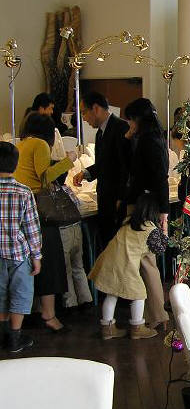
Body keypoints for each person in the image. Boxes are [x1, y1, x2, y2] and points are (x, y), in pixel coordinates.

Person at [15, 114, 75, 332]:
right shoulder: (39, 144)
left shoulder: (20, 145)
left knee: (26, 264)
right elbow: (45, 177)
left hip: (20, 210)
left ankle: (29, 312)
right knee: (49, 261)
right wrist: (68, 160)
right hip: (39, 209)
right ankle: (49, 315)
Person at [89, 193, 167, 340]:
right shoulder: (150, 229)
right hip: (125, 265)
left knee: (111, 293)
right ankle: (138, 327)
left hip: (108, 262)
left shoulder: (128, 222)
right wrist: (165, 231)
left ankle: (107, 328)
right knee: (139, 294)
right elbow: (160, 249)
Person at [123, 98, 170, 329]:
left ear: (138, 118)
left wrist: (164, 212)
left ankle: (157, 315)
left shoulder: (148, 141)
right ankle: (154, 314)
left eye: (130, 120)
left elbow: (160, 178)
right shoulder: (154, 138)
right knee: (145, 260)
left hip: (144, 205)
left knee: (146, 260)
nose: (129, 124)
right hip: (148, 204)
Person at [73, 92, 131, 247]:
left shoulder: (121, 128)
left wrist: (121, 198)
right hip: (105, 199)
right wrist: (85, 173)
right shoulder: (100, 133)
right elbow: (103, 163)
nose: (84, 118)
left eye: (84, 112)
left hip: (117, 200)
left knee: (117, 248)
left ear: (96, 108)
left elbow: (126, 167)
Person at [0, 142, 42, 352]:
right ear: (16, 165)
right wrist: (37, 256)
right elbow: (32, 228)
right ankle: (15, 339)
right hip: (19, 254)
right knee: (20, 294)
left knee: (0, 295)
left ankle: (2, 335)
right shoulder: (24, 191)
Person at [21, 93, 66, 161]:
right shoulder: (37, 125)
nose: (52, 112)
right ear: (41, 108)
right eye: (50, 108)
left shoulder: (27, 120)